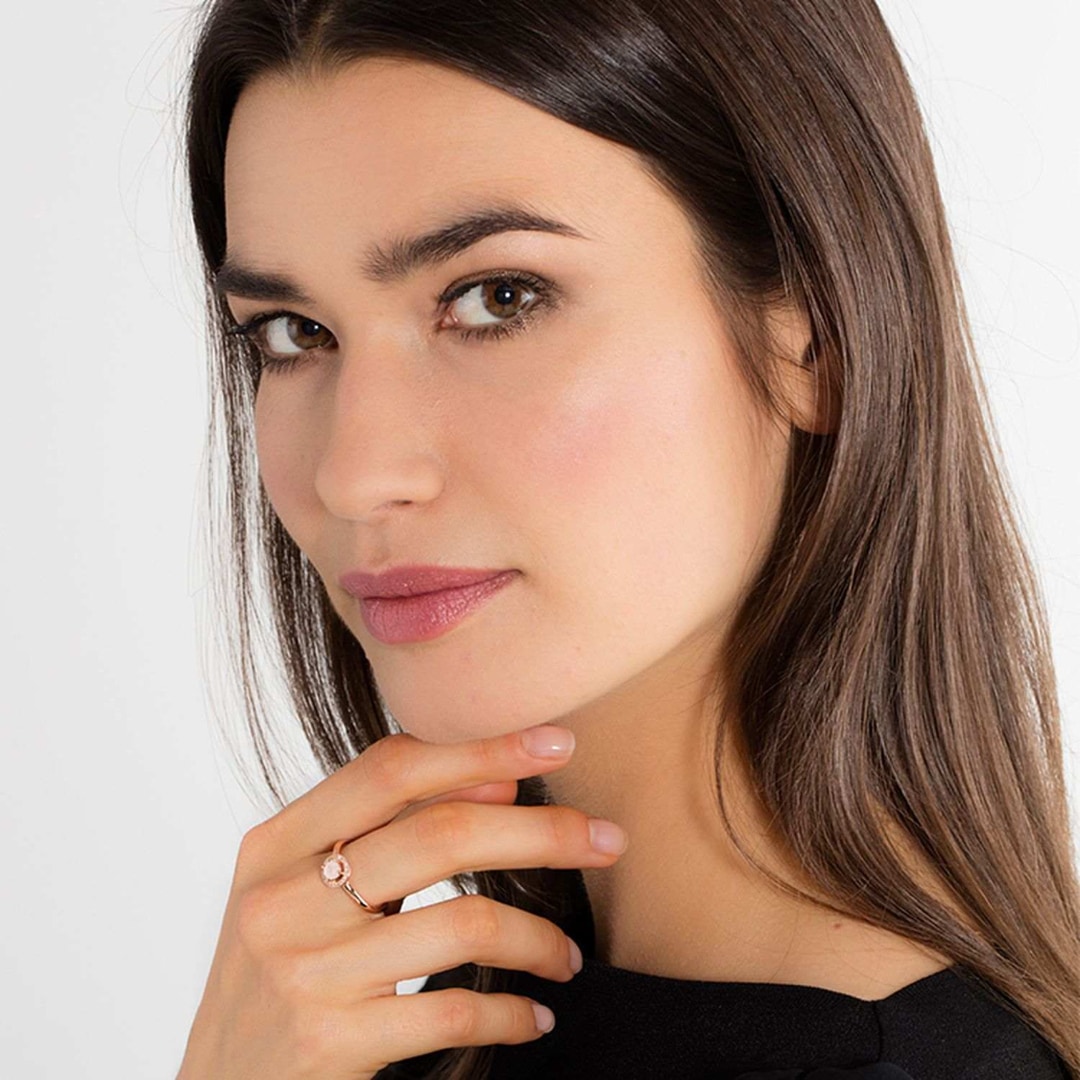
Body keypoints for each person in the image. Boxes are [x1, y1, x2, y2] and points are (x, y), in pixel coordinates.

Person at [175, 1, 1080, 1077]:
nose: (356, 474)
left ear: (818, 339)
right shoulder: (388, 1030)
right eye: (295, 333)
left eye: (498, 297)